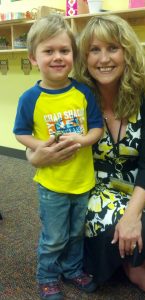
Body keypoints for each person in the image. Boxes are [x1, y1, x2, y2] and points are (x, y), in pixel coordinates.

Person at [26, 14, 145, 295]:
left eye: (113, 48)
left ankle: (122, 247)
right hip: (87, 191)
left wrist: (131, 216)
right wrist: (34, 157)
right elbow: (41, 139)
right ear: (84, 57)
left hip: (135, 192)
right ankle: (111, 253)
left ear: (126, 52)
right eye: (94, 49)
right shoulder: (74, 95)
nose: (104, 58)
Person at [13, 13, 103, 300]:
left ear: (73, 56)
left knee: (76, 233)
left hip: (82, 180)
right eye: (48, 51)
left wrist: (83, 138)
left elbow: (97, 128)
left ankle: (72, 269)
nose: (57, 57)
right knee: (54, 237)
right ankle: (47, 276)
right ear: (34, 59)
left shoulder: (83, 92)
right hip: (52, 184)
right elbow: (20, 132)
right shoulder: (30, 98)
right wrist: (42, 147)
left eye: (64, 50)